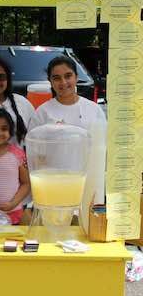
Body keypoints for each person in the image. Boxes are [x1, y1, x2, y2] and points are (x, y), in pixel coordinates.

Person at [30, 55, 107, 204]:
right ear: (50, 82)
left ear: (76, 77)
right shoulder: (42, 113)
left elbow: (102, 150)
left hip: (87, 185)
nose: (63, 82)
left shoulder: (93, 110)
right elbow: (36, 157)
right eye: (57, 78)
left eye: (68, 76)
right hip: (54, 186)